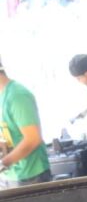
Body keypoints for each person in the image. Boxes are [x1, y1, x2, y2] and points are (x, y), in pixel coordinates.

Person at [0, 56, 51, 187]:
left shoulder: (17, 95)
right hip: (10, 175)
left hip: (31, 176)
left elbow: (33, 139)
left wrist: (4, 163)